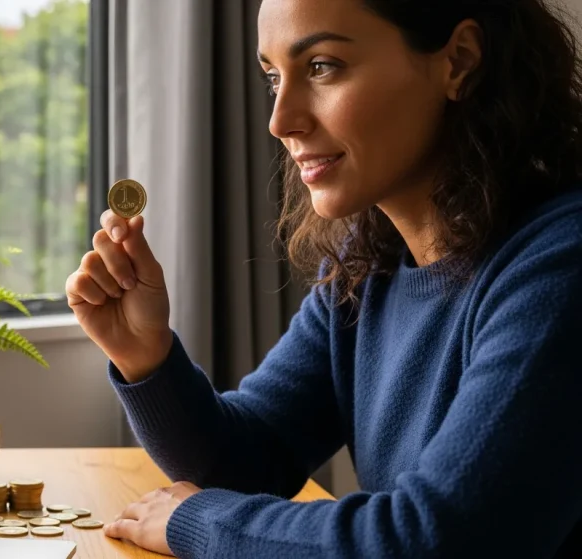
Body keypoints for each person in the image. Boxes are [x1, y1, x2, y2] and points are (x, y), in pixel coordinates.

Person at [65, 0, 582, 557]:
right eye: (272, 77)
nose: (279, 120)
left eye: (321, 66)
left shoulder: (562, 264)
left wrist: (199, 522)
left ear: (458, 62)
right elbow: (249, 459)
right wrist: (148, 357)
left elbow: (442, 538)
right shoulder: (366, 267)